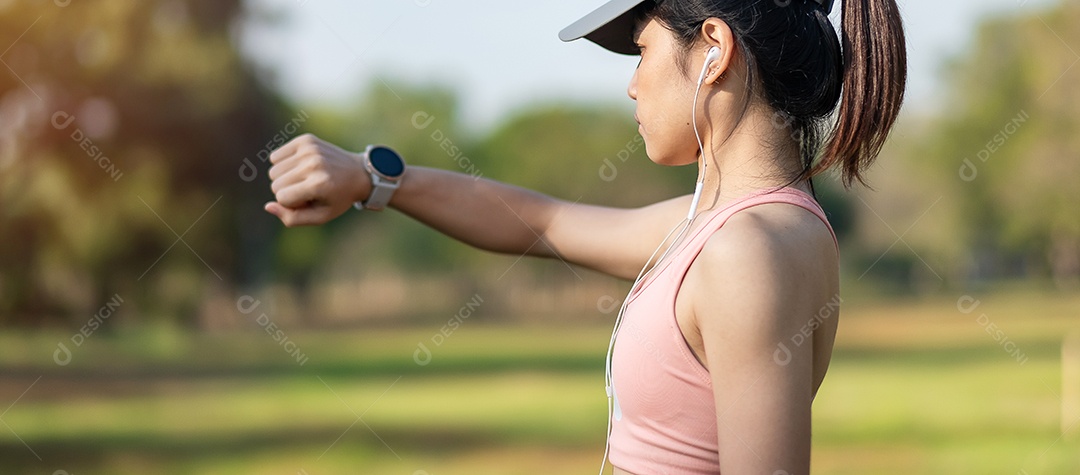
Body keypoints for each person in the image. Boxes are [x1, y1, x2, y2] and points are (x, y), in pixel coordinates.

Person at [264, 0, 906, 472]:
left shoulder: (747, 252)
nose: (631, 83)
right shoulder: (720, 231)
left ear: (714, 48)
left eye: (644, 50)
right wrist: (372, 179)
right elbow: (543, 223)